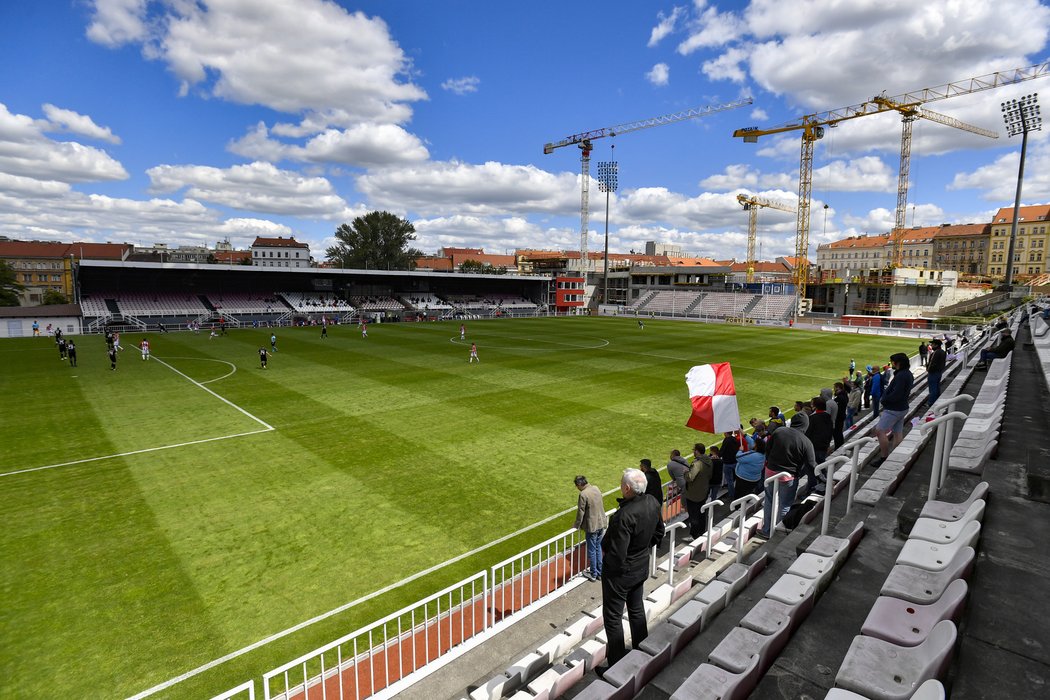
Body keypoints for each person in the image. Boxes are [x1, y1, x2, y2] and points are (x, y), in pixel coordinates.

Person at [598, 469, 665, 670]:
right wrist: (641, 552)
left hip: (622, 574)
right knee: (636, 609)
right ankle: (642, 649)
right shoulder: (652, 502)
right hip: (640, 567)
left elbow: (617, 554)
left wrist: (609, 570)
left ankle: (617, 666)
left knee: (613, 618)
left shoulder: (624, 515)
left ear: (627, 488)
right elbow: (659, 533)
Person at [757, 412, 815, 538]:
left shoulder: (779, 431)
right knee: (785, 504)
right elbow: (811, 465)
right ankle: (778, 534)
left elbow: (768, 448)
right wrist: (821, 479)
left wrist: (769, 463)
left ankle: (767, 530)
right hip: (788, 476)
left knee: (769, 501)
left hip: (771, 472)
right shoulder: (806, 442)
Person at [875, 353, 915, 464]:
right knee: (897, 432)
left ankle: (884, 457)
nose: (892, 363)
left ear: (899, 363)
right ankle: (893, 457)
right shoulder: (906, 374)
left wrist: (884, 400)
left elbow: (897, 394)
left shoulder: (902, 375)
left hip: (894, 409)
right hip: (901, 407)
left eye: (893, 361)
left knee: (879, 431)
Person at [573, 476, 608, 582]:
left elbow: (581, 512)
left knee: (592, 550)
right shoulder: (596, 488)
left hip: (592, 526)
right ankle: (599, 572)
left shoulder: (583, 494)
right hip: (601, 523)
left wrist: (577, 524)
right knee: (598, 548)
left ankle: (593, 573)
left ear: (579, 484)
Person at [803, 396, 834, 496]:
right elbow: (830, 432)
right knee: (821, 466)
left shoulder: (813, 418)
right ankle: (825, 485)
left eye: (812, 404)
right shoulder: (827, 417)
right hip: (823, 447)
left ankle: (811, 490)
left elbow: (808, 435)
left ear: (815, 406)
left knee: (812, 470)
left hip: (814, 448)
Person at [684, 445, 713, 541]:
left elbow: (690, 477)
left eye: (694, 450)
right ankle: (701, 531)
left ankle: (694, 535)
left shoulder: (697, 464)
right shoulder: (709, 461)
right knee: (701, 513)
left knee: (694, 515)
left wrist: (685, 473)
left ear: (697, 451)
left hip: (694, 493)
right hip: (703, 490)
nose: (693, 452)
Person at [719, 431, 740, 501]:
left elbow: (722, 451)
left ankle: (731, 496)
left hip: (728, 463)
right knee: (737, 479)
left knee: (730, 481)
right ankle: (737, 494)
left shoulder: (726, 440)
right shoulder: (735, 439)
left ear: (726, 433)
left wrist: (718, 455)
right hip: (735, 462)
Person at [925, 338, 946, 407]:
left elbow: (931, 363)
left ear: (936, 345)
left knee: (933, 388)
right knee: (936, 387)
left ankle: (931, 402)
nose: (931, 345)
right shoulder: (942, 351)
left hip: (933, 372)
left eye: (932, 344)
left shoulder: (936, 352)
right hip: (938, 372)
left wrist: (928, 369)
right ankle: (936, 400)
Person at [832, 382, 848, 448]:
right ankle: (840, 446)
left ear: (838, 387)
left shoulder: (840, 397)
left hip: (838, 418)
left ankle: (838, 447)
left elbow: (837, 409)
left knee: (837, 433)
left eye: (835, 387)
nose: (834, 389)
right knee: (839, 433)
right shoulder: (844, 395)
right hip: (841, 416)